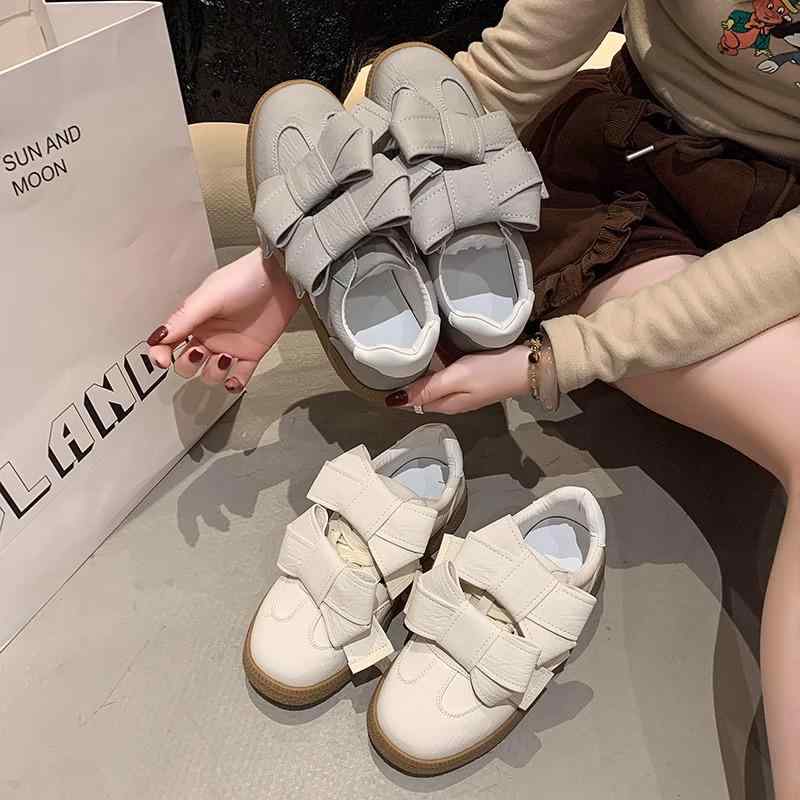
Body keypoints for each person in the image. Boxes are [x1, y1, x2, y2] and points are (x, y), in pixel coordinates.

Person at [147, 2, 800, 794]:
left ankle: (446, 318)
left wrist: (557, 357)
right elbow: (511, 70)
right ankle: (459, 299)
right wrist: (287, 262)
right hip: (630, 165)